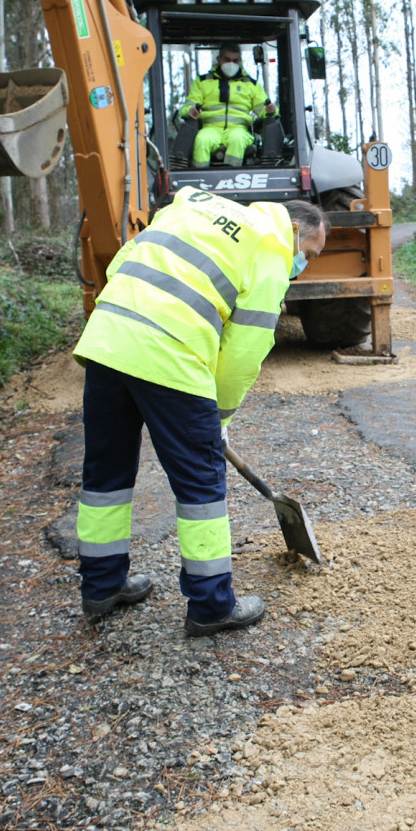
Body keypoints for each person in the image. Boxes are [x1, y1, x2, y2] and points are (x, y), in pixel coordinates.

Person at [72, 188, 329, 635]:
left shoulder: (194, 207)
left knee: (105, 476)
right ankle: (212, 606)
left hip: (108, 338)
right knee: (201, 486)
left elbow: (121, 264)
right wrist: (220, 421)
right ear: (292, 230)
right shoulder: (268, 247)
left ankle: (101, 587)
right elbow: (243, 354)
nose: (302, 265)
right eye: (307, 254)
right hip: (171, 353)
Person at [179, 43, 278, 170]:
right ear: (219, 59)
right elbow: (189, 105)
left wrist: (271, 110)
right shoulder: (203, 82)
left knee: (237, 139)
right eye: (227, 59)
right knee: (202, 140)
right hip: (210, 128)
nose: (231, 63)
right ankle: (199, 176)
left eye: (235, 60)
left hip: (239, 128)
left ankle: (231, 175)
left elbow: (263, 109)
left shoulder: (251, 84)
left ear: (240, 61)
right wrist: (190, 111)